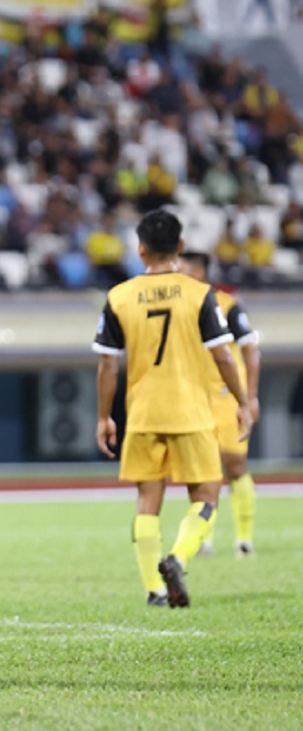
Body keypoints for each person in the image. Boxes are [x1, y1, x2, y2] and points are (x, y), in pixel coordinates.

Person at [93, 210, 251, 609]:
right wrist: (243, 401)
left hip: (143, 412)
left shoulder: (119, 296)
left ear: (140, 248)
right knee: (207, 494)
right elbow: (224, 357)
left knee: (148, 499)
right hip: (190, 410)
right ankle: (178, 557)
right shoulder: (200, 294)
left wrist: (103, 416)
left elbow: (107, 363)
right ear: (180, 247)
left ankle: (153, 589)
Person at [179, 252, 262, 557]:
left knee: (235, 463)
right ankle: (204, 538)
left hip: (228, 396)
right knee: (201, 468)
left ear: (199, 272)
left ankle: (243, 538)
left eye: (182, 269)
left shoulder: (227, 306)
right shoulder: (178, 308)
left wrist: (250, 397)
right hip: (194, 397)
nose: (176, 273)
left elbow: (251, 350)